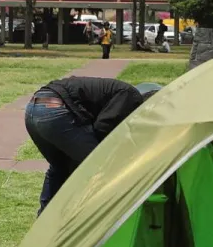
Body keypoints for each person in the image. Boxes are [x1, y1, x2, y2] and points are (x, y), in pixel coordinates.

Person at [24, 78, 160, 212]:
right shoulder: (131, 97)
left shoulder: (118, 92)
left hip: (33, 109)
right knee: (100, 165)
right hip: (55, 109)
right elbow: (102, 127)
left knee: (60, 166)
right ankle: (101, 216)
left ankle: (45, 218)